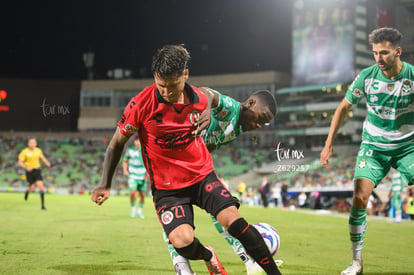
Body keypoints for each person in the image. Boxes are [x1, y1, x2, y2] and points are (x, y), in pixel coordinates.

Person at [91, 44, 281, 275]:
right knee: (182, 241)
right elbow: (116, 143)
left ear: (185, 75)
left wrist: (206, 111)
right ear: (154, 77)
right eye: (161, 86)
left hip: (201, 175)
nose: (167, 92)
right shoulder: (140, 105)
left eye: (173, 86)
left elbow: (204, 99)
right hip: (168, 186)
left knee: (234, 220)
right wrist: (105, 183)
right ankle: (207, 255)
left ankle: (263, 268)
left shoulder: (203, 103)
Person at [320, 27, 414, 275]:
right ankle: (357, 262)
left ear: (398, 51)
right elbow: (343, 108)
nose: (379, 58)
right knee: (359, 197)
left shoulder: (412, 77)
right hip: (374, 145)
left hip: (408, 146)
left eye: (384, 53)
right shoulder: (367, 77)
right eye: (375, 53)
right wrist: (329, 143)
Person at [166, 86, 280, 275]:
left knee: (226, 212)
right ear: (250, 103)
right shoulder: (231, 108)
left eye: (264, 124)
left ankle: (247, 259)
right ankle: (182, 266)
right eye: (261, 118)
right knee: (174, 220)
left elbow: (208, 147)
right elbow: (207, 92)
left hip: (194, 168)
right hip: (169, 159)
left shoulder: (236, 130)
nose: (259, 126)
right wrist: (206, 110)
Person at [17, 138, 51, 210]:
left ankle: (43, 206)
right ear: (28, 144)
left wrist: (47, 163)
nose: (32, 144)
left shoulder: (38, 150)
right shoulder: (24, 152)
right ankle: (27, 192)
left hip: (37, 170)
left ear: (35, 144)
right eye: (31, 143)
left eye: (34, 143)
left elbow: (42, 158)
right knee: (32, 188)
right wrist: (26, 167)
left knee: (41, 187)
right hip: (29, 171)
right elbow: (20, 162)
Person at [122, 136, 147, 218]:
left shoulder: (145, 151)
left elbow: (148, 163)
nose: (139, 143)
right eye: (138, 141)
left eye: (140, 141)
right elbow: (125, 161)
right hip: (133, 175)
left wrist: (147, 174)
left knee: (142, 195)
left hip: (142, 175)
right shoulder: (130, 151)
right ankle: (133, 209)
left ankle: (139, 211)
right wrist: (125, 170)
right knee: (132, 192)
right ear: (134, 142)